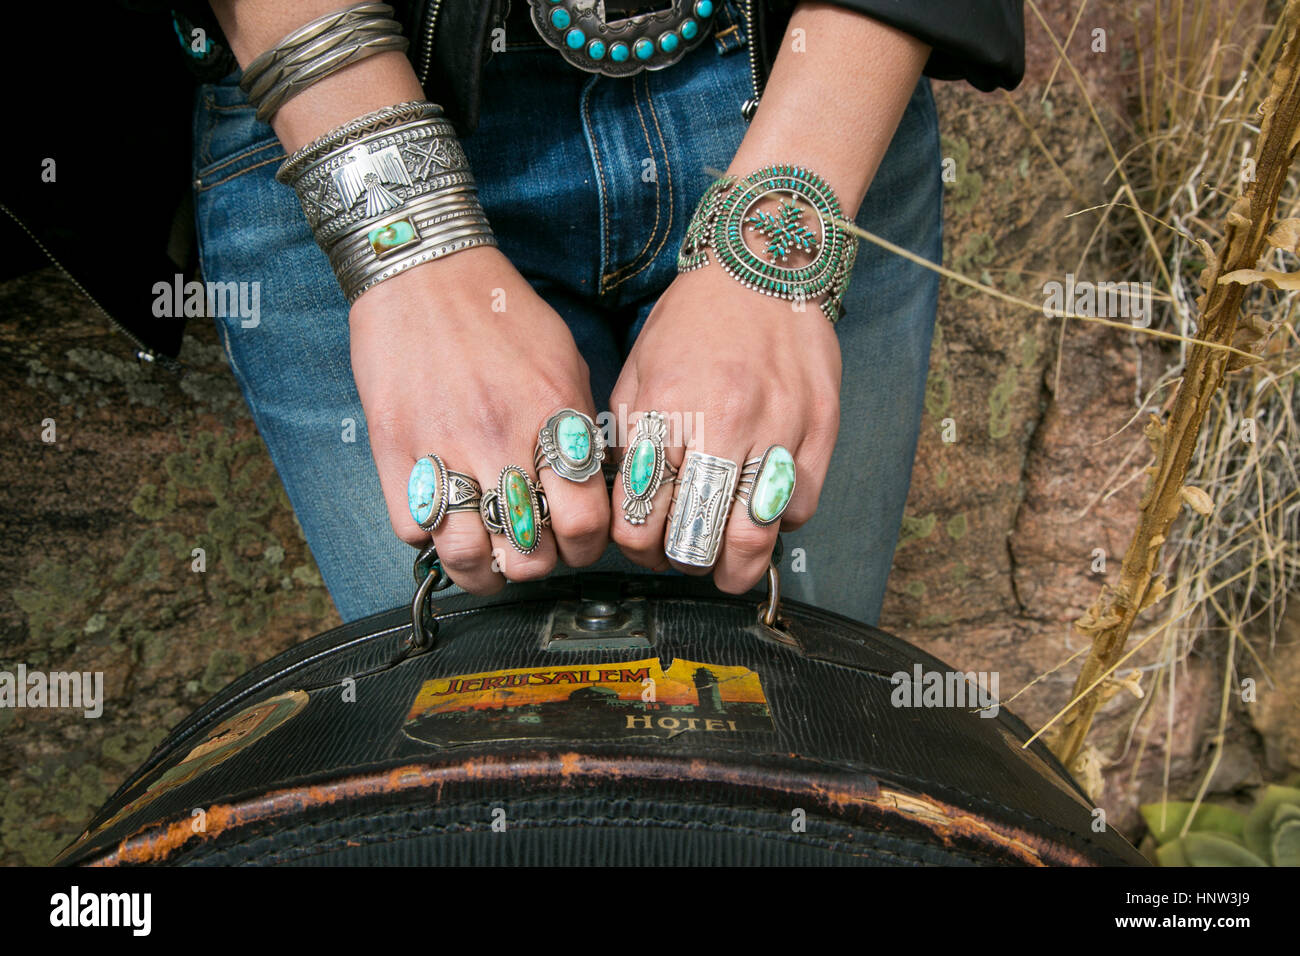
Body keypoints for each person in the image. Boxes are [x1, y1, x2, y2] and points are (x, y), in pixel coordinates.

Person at [191, 0, 1024, 624]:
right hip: (337, 99)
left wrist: (778, 230)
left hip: (815, 81)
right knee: (461, 784)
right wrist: (408, 249)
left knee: (787, 762)